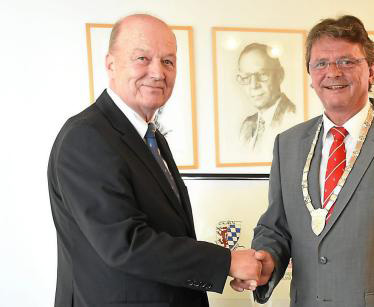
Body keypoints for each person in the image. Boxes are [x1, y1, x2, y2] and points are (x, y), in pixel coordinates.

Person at [231, 15, 374, 306]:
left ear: (371, 70)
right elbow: (277, 226)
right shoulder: (287, 144)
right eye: (321, 63)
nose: (333, 72)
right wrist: (265, 259)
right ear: (310, 75)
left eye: (347, 61)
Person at [47, 14, 261, 307]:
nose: (158, 72)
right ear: (110, 64)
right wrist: (226, 262)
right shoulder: (87, 137)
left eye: (168, 61)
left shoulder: (150, 136)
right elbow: (126, 244)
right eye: (142, 58)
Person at [237, 43, 297, 151]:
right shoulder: (247, 126)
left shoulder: (294, 117)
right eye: (246, 77)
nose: (253, 85)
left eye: (262, 74)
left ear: (280, 75)